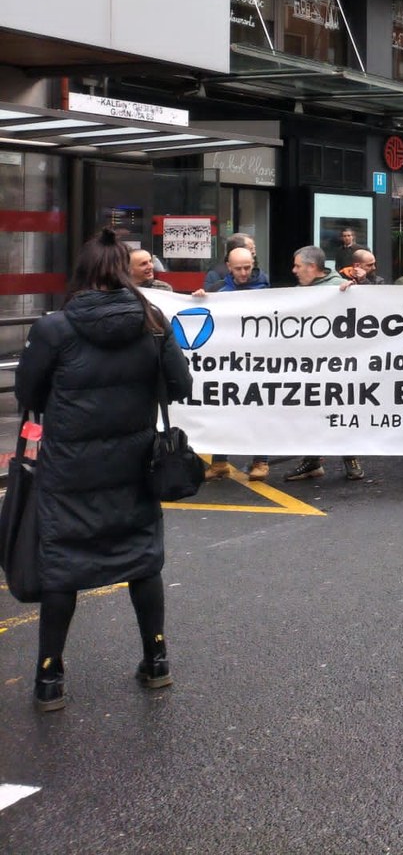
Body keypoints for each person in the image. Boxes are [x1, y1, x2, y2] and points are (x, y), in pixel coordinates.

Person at [14, 229, 194, 713]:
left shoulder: (55, 329)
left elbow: (28, 396)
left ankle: (50, 678)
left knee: (63, 566)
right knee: (142, 559)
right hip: (136, 464)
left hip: (69, 469)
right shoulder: (153, 321)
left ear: (83, 272)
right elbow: (180, 384)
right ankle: (156, 659)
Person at [190, 246, 272, 481]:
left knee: (258, 411)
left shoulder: (267, 289)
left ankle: (261, 462)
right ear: (228, 267)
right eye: (238, 269)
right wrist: (198, 299)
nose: (244, 273)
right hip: (226, 364)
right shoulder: (216, 289)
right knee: (222, 410)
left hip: (257, 362)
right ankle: (219, 463)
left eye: (247, 267)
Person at [283, 248, 363, 484]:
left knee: (341, 410)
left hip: (338, 364)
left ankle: (351, 458)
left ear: (312, 267)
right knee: (311, 411)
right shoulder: (299, 291)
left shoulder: (339, 286)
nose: (294, 270)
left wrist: (355, 292)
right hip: (308, 364)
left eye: (298, 266)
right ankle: (312, 460)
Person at [202, 233, 267, 291]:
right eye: (251, 249)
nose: (243, 273)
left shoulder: (262, 278)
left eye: (247, 268)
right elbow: (210, 300)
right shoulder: (215, 276)